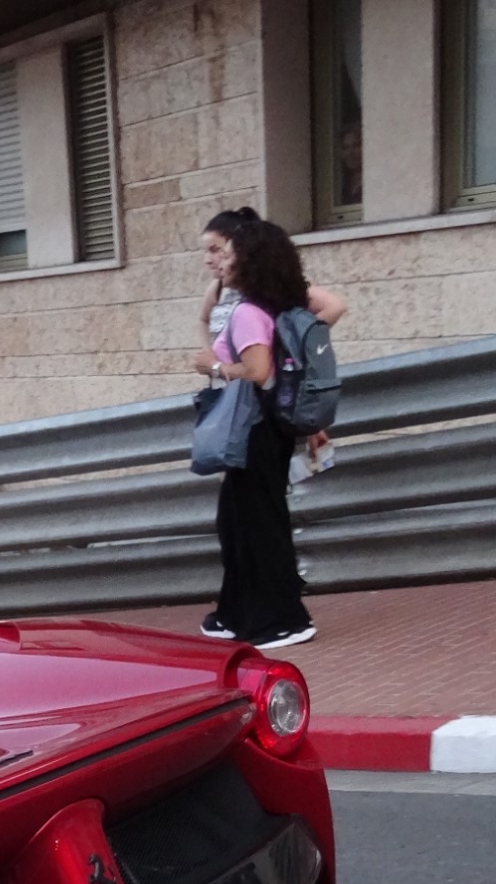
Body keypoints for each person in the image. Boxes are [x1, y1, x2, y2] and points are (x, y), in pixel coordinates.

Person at [191, 217, 319, 651]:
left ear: (249, 260)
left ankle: (282, 619)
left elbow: (258, 371)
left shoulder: (248, 312)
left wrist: (212, 366)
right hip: (271, 427)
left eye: (226, 253)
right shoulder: (279, 305)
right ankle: (236, 613)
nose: (219, 262)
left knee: (256, 525)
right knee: (241, 520)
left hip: (255, 426)